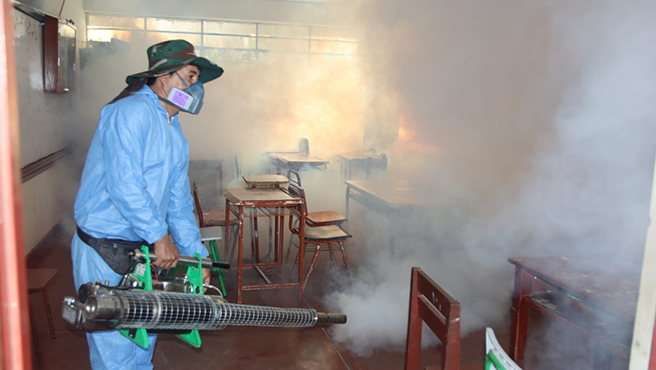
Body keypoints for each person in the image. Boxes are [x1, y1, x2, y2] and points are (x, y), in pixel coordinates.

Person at [71, 39, 224, 369]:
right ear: (164, 76)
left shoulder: (175, 132)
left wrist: (197, 256)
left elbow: (178, 201)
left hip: (141, 250)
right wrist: (159, 236)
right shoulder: (128, 113)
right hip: (104, 248)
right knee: (115, 347)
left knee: (142, 338)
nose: (195, 86)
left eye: (198, 79)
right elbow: (124, 186)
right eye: (191, 75)